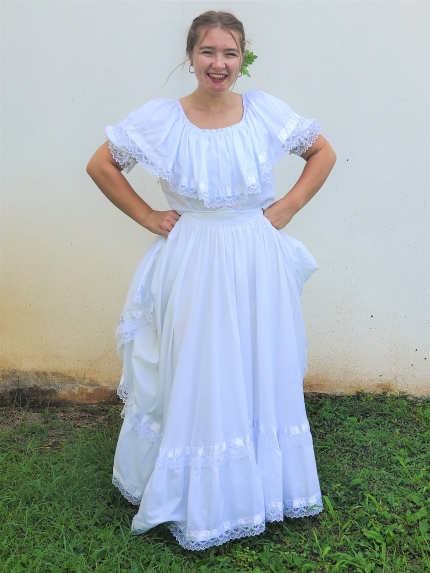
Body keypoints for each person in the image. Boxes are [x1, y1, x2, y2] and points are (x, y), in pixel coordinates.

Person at [86, 10, 336, 551]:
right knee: (200, 365)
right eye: (208, 53)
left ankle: (260, 484)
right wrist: (150, 216)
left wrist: (287, 209)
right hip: (193, 257)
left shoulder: (265, 111)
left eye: (229, 53)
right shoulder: (161, 120)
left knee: (255, 360)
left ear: (242, 57)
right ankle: (196, 492)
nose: (219, 64)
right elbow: (102, 164)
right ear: (190, 56)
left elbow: (321, 152)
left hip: (254, 256)